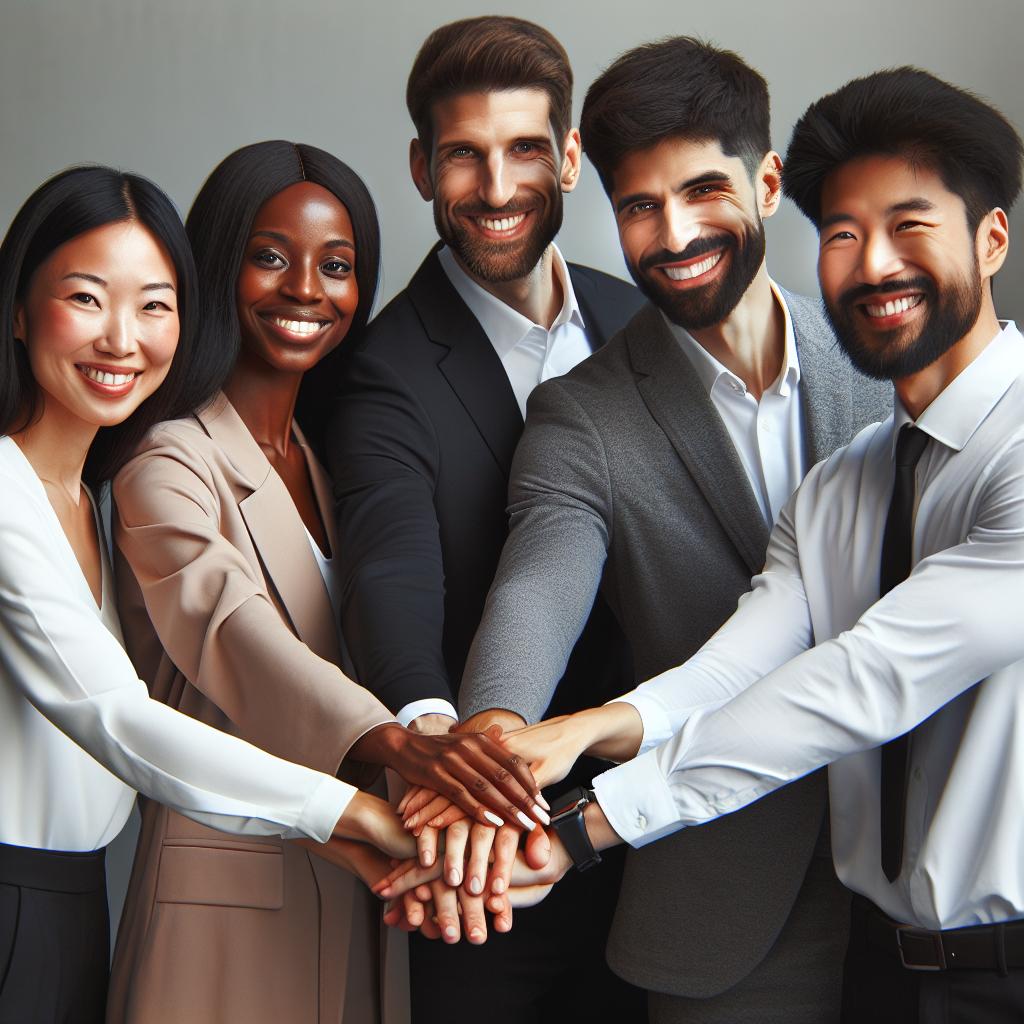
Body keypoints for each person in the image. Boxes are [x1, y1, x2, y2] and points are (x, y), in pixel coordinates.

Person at [470, 67, 1024, 1023]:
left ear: (992, 238)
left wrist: (594, 825)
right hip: (864, 961)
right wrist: (550, 736)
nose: (874, 263)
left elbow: (861, 678)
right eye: (845, 235)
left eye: (910, 225)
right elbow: (729, 662)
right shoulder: (844, 481)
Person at [105, 142, 542, 1024]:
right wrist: (401, 743)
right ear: (217, 266)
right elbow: (234, 634)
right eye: (270, 256)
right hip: (226, 894)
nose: (307, 288)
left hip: (361, 883)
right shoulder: (164, 458)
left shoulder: (327, 459)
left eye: (337, 266)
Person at [0, 165, 417, 1024]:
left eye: (154, 305)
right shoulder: (10, 486)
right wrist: (347, 808)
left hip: (70, 903)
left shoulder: (87, 496)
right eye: (86, 298)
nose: (123, 338)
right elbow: (120, 716)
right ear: (16, 308)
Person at [303, 16, 645, 1023]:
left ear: (571, 157)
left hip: (652, 837)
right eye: (464, 155)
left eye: (524, 150)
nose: (496, 189)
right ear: (421, 168)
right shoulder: (379, 374)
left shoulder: (642, 326)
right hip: (472, 873)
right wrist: (442, 761)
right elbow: (389, 582)